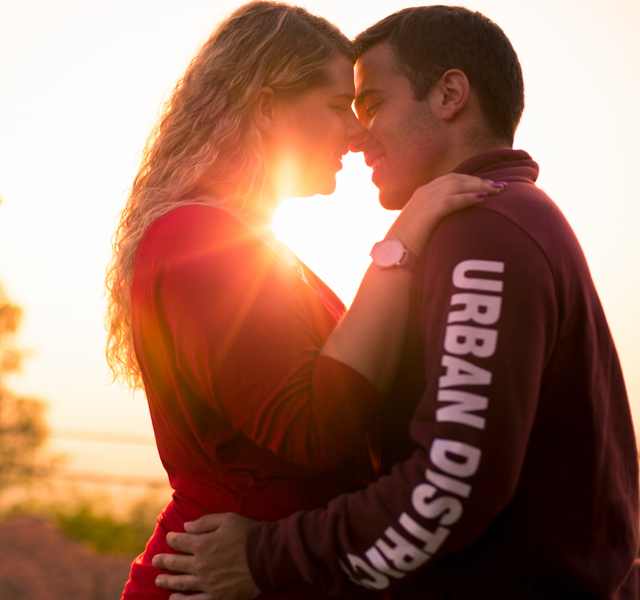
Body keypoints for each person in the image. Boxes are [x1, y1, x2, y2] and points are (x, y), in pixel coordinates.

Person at [152, 6, 640, 600]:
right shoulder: (485, 222)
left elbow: (452, 479)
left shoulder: (484, 230)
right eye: (344, 110)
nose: (360, 136)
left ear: (450, 94)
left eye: (373, 104)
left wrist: (268, 556)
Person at [104, 3, 502, 599]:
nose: (360, 131)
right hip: (213, 581)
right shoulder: (196, 241)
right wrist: (399, 244)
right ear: (266, 107)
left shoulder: (255, 247)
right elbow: (316, 428)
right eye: (341, 107)